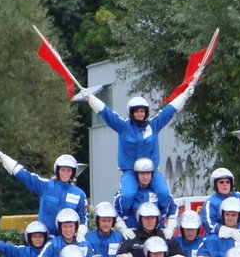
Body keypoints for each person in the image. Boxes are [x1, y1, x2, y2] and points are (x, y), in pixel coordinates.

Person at [82, 87, 194, 221]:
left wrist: (185, 95)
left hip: (151, 172)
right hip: (130, 171)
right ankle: (124, 218)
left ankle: (163, 215)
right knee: (128, 195)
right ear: (131, 113)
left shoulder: (153, 125)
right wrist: (91, 98)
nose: (140, 114)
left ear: (146, 112)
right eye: (136, 111)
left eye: (142, 111)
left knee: (164, 193)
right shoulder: (123, 126)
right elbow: (106, 112)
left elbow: (169, 111)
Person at [0, 150, 88, 238]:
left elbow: (84, 220)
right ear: (57, 171)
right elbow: (25, 175)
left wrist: (81, 234)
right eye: (63, 170)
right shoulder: (46, 186)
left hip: (67, 243)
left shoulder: (80, 195)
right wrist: (4, 158)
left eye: (69, 170)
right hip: (44, 240)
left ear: (73, 172)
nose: (65, 173)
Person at [114, 158, 178, 238]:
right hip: (133, 236)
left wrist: (170, 228)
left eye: (148, 173)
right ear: (137, 174)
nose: (145, 177)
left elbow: (173, 210)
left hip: (157, 236)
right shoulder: (124, 193)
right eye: (142, 173)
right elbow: (115, 213)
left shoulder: (159, 192)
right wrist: (123, 229)